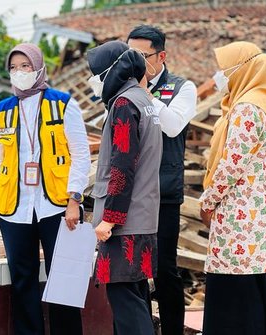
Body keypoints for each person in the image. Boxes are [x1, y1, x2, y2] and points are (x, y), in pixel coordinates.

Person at [0, 43, 90, 335]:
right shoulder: (1, 111)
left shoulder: (63, 104)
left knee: (62, 279)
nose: (19, 73)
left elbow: (80, 155)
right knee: (22, 279)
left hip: (56, 206)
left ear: (38, 67)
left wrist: (74, 200)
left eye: (25, 66)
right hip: (14, 209)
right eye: (13, 68)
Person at [199, 41, 266, 335]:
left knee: (237, 299)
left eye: (227, 69)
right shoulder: (264, 102)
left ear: (245, 69)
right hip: (257, 211)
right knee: (256, 293)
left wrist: (207, 201)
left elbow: (232, 164)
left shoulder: (247, 108)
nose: (223, 75)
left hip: (241, 215)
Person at [87, 40, 162, 335]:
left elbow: (122, 165)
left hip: (124, 224)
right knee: (136, 297)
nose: (93, 80)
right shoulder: (144, 100)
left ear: (110, 71)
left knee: (126, 305)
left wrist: (109, 218)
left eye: (95, 73)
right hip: (143, 217)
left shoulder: (123, 104)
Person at [127, 24, 197, 335]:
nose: (135, 62)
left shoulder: (182, 88)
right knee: (132, 270)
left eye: (142, 56)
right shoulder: (122, 87)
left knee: (165, 269)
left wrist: (142, 91)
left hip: (164, 192)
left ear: (161, 56)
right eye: (130, 55)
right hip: (130, 192)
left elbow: (171, 126)